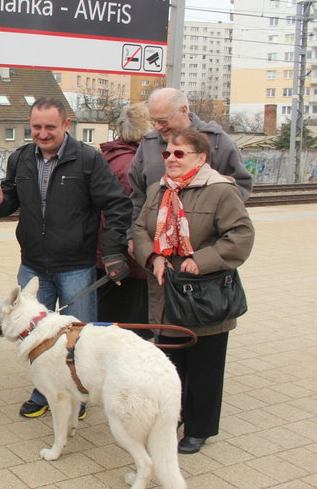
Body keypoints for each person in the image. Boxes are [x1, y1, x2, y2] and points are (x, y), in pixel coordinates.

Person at [0, 97, 131, 420]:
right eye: (36, 126)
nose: (43, 133)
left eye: (50, 126)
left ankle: (78, 394)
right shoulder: (20, 158)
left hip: (76, 264)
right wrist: (0, 200)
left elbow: (118, 205)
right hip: (33, 264)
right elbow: (10, 200)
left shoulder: (88, 159)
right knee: (34, 335)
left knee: (78, 337)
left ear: (66, 124)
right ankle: (43, 391)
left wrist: (112, 249)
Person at [133, 128, 254, 455]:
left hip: (205, 294)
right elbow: (140, 230)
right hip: (165, 294)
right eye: (167, 154)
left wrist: (202, 260)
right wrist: (153, 256)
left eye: (179, 153)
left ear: (200, 158)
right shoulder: (159, 190)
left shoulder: (220, 191)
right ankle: (172, 418)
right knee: (170, 365)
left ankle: (199, 428)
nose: (170, 159)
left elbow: (240, 236)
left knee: (204, 367)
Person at [128, 87, 253, 224]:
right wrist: (133, 234)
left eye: (163, 121)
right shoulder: (148, 144)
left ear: (184, 111)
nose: (157, 127)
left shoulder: (219, 143)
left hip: (203, 241)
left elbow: (239, 188)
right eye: (154, 121)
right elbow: (137, 197)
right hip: (156, 240)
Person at [96, 103, 152, 327]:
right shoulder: (132, 164)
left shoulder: (110, 156)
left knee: (107, 319)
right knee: (127, 326)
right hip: (125, 258)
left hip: (104, 251)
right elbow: (130, 214)